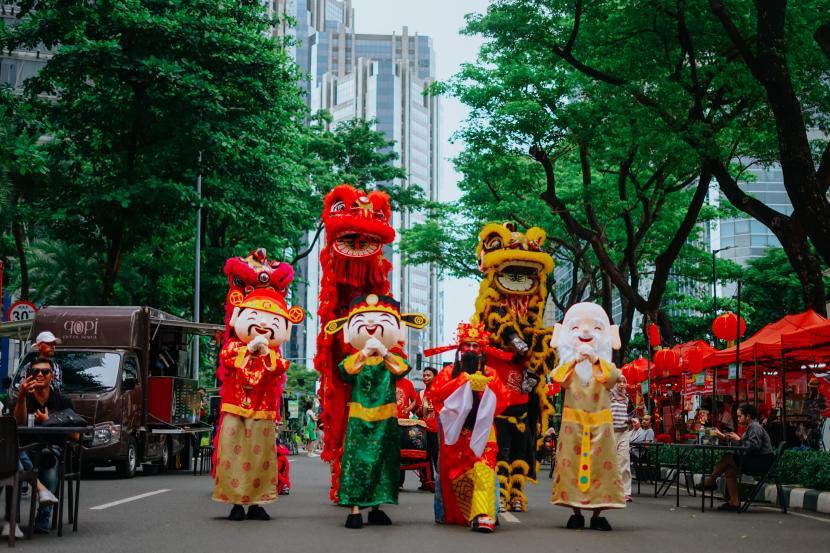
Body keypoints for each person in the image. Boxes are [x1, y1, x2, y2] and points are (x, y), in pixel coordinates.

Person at [323, 293, 428, 529]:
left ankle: (378, 507)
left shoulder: (390, 360)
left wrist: (385, 351)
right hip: (360, 420)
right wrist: (363, 352)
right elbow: (345, 372)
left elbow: (402, 369)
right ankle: (355, 508)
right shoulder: (354, 359)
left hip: (386, 421)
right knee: (357, 462)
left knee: (384, 463)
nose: (370, 327)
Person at [212, 288, 304, 522]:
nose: (263, 325)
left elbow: (280, 367)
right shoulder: (233, 347)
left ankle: (257, 502)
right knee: (233, 455)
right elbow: (228, 360)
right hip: (235, 408)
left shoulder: (273, 354)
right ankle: (235, 503)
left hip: (262, 411)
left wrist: (264, 352)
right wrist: (250, 349)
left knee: (261, 458)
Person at [426, 322, 510, 533]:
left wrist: (486, 387)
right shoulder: (448, 372)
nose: (471, 350)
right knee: (455, 474)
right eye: (467, 346)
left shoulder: (490, 372)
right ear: (460, 350)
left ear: (482, 350)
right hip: (456, 434)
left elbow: (504, 399)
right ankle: (457, 514)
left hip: (482, 431)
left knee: (484, 469)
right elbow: (436, 395)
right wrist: (463, 381)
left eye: (475, 346)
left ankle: (484, 515)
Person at [550, 302, 626, 531]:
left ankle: (597, 514)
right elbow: (557, 378)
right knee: (570, 466)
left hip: (600, 424)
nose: (585, 332)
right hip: (573, 425)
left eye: (595, 327)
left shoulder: (604, 366)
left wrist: (594, 359)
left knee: (602, 469)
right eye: (576, 328)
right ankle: (575, 513)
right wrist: (574, 359)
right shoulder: (569, 368)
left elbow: (613, 378)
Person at [5, 357, 70, 534]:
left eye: (45, 371)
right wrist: (21, 398)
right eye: (35, 371)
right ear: (28, 375)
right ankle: (14, 519)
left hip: (50, 449)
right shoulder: (22, 396)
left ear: (52, 376)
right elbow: (17, 424)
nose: (40, 374)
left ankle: (42, 517)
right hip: (24, 450)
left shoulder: (63, 401)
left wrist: (50, 421)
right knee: (15, 460)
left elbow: (76, 433)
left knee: (49, 463)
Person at [695, 403, 774, 511]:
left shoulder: (755, 427)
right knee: (729, 468)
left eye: (740, 416)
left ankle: (710, 481)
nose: (737, 419)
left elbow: (752, 447)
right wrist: (724, 437)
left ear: (748, 416)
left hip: (762, 462)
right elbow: (743, 446)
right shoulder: (750, 427)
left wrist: (738, 439)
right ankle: (734, 502)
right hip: (756, 459)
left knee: (728, 457)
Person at [610, 375, 632, 502]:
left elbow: (626, 416)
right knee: (611, 462)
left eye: (624, 381)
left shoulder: (626, 399)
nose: (622, 384)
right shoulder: (608, 396)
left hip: (624, 432)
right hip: (611, 433)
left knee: (624, 461)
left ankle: (625, 492)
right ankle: (610, 490)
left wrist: (631, 420)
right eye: (619, 381)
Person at [419, 366, 440, 484]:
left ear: (435, 377)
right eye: (424, 375)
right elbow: (416, 411)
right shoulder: (421, 394)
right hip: (423, 429)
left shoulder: (439, 392)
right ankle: (427, 481)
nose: (425, 377)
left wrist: (435, 409)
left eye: (428, 375)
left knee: (436, 456)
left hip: (436, 429)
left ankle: (440, 482)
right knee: (424, 456)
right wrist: (420, 409)